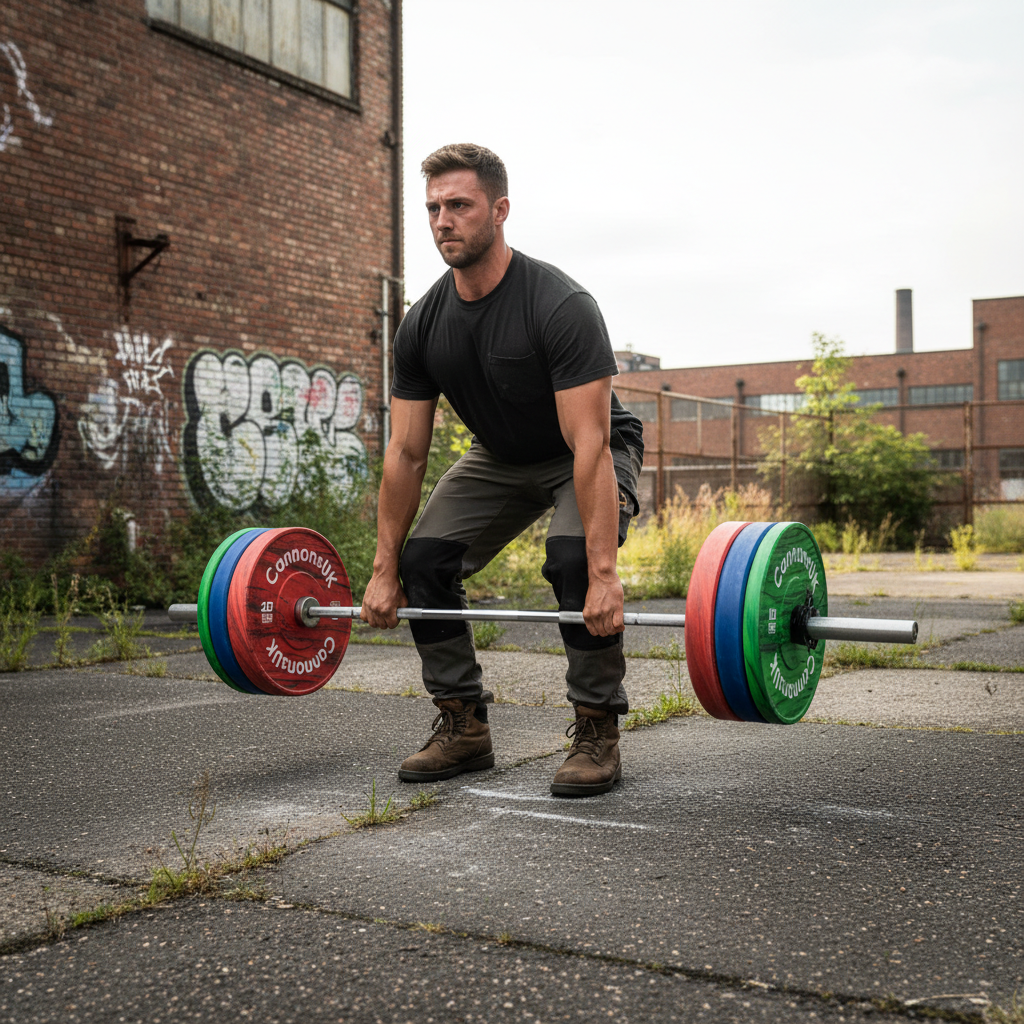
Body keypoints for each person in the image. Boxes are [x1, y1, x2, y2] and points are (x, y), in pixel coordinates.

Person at [360, 143, 644, 797]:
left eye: (458, 205)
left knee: (574, 560)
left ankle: (597, 729)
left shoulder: (559, 304)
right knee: (424, 560)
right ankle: (462, 726)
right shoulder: (423, 325)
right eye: (433, 207)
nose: (442, 221)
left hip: (590, 448)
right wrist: (383, 569)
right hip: (498, 454)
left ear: (500, 210)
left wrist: (604, 577)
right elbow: (405, 453)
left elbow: (590, 447)